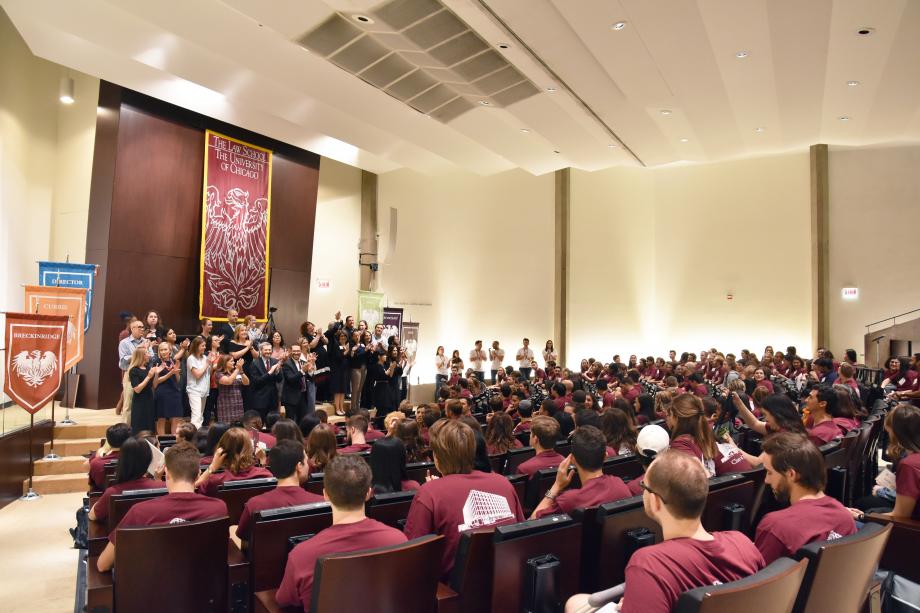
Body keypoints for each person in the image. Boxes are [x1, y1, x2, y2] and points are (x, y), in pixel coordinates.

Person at [564, 451, 765, 613]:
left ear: (655, 500)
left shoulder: (648, 564)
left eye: (644, 486)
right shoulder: (743, 542)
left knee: (575, 604)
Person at [276, 455, 407, 610]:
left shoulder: (302, 555)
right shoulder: (399, 541)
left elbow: (284, 600)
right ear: (368, 494)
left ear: (325, 495)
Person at [404, 419, 525, 579]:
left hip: (451, 594)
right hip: (506, 582)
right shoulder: (503, 483)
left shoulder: (429, 493)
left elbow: (412, 555)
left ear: (437, 458)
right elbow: (520, 532)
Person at [96, 442, 228, 572]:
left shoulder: (139, 512)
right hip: (203, 590)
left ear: (167, 473)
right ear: (199, 474)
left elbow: (103, 565)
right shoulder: (219, 508)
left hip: (150, 591)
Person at [754, 432, 856, 564]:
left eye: (769, 472)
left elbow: (761, 581)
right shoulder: (845, 517)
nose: (767, 480)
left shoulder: (775, 526)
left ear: (791, 474)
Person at [532, 425, 631, 518]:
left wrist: (556, 486)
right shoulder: (619, 484)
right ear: (605, 457)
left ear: (573, 460)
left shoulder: (568, 500)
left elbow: (533, 520)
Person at [235, 440, 324, 544]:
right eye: (306, 461)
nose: (308, 465)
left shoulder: (254, 505)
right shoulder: (322, 504)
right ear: (299, 466)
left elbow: (244, 538)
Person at [667, 394, 752, 477]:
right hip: (748, 479)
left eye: (669, 414)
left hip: (732, 484)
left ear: (676, 418)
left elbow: (700, 478)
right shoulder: (707, 429)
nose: (667, 418)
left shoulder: (681, 442)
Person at [89, 437, 163, 523]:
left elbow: (92, 516)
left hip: (119, 535)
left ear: (121, 461)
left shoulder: (112, 492)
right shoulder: (164, 487)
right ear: (149, 460)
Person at [195, 427, 272, 496]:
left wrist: (212, 467)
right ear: (250, 449)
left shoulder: (214, 481)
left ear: (221, 450)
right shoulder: (265, 475)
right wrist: (262, 461)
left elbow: (193, 490)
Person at [85, 423, 133, 491]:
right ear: (130, 440)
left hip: (104, 497)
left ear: (108, 441)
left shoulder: (96, 462)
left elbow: (86, 467)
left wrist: (101, 452)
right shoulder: (138, 459)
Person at [117, 319, 148, 424]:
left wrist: (146, 352)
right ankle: (125, 431)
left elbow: (151, 356)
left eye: (143, 327)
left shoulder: (146, 342)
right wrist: (138, 352)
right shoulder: (124, 343)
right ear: (132, 328)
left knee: (143, 404)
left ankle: (139, 430)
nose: (142, 329)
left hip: (145, 374)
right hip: (131, 375)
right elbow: (123, 361)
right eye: (139, 327)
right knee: (128, 404)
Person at [151, 342, 183, 435]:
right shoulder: (156, 362)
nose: (163, 352)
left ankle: (174, 441)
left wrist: (176, 372)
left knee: (175, 418)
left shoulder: (174, 361)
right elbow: (155, 382)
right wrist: (170, 373)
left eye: (165, 349)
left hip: (174, 392)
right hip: (162, 392)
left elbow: (178, 380)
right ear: (159, 351)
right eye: (161, 350)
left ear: (170, 350)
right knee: (161, 419)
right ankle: (162, 443)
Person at [127, 347, 159, 434]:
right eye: (147, 353)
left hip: (149, 398)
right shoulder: (134, 370)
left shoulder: (147, 367)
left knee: (149, 423)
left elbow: (154, 385)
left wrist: (156, 374)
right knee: (139, 424)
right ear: (142, 356)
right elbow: (137, 389)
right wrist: (149, 376)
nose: (149, 355)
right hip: (139, 401)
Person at [249, 342, 284, 420]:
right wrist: (270, 372)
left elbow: (280, 379)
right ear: (261, 351)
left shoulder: (275, 361)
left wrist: (278, 372)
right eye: (266, 350)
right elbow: (256, 382)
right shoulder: (255, 363)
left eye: (270, 350)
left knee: (273, 424)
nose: (268, 351)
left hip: (273, 399)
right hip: (260, 400)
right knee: (259, 424)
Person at [281, 344, 310, 425]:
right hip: (291, 398)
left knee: (302, 420)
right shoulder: (287, 364)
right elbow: (291, 379)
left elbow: (309, 377)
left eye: (298, 351)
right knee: (291, 422)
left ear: (301, 351)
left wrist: (311, 369)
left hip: (303, 395)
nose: (296, 353)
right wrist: (302, 371)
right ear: (290, 352)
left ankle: (301, 437)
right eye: (294, 351)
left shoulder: (303, 362)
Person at [216, 355, 249, 424]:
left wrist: (241, 371)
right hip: (226, 404)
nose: (234, 363)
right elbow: (228, 381)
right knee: (226, 426)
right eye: (231, 361)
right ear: (225, 363)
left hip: (238, 403)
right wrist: (237, 369)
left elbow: (247, 383)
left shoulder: (235, 372)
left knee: (238, 426)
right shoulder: (219, 374)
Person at [186, 337, 211, 429]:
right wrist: (207, 364)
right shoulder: (191, 358)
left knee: (200, 416)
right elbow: (197, 374)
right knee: (196, 417)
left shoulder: (205, 358)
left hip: (204, 391)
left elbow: (208, 373)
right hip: (194, 390)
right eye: (202, 346)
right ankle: (193, 438)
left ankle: (198, 437)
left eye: (205, 345)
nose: (205, 347)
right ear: (196, 346)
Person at [347, 330, 368, 414]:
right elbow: (353, 357)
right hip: (355, 368)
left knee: (360, 389)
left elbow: (365, 356)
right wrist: (364, 351)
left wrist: (367, 350)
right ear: (352, 337)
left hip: (363, 368)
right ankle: (353, 408)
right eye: (355, 335)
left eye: (358, 335)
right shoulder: (351, 344)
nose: (357, 337)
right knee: (355, 389)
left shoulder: (362, 344)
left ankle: (357, 407)